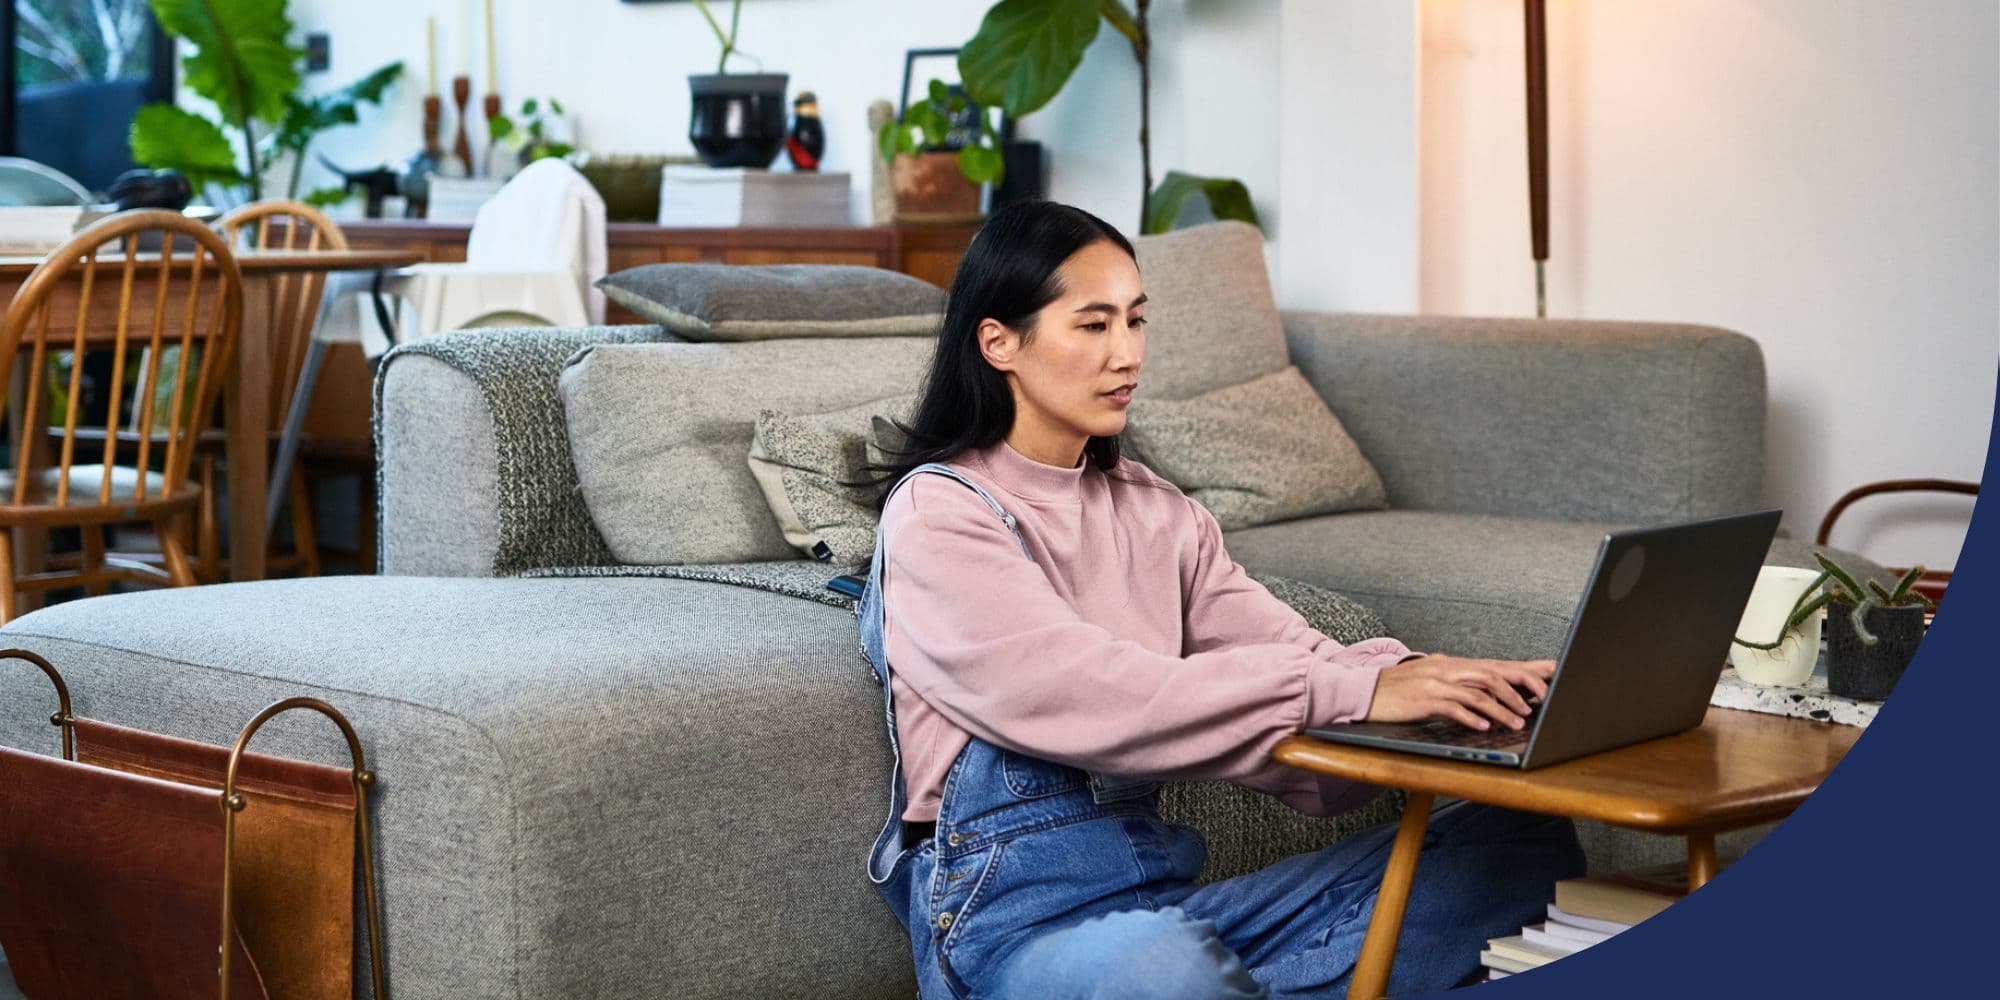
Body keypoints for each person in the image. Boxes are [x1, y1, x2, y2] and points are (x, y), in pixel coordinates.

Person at [856, 200, 1583, 999]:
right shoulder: (940, 512)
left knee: (1516, 847)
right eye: (1093, 326)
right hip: (1013, 939)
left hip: (1173, 915)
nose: (1127, 354)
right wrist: (1355, 687)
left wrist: (1439, 689)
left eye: (1136, 322)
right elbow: (1088, 690)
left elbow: (1290, 651)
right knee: (1159, 968)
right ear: (999, 342)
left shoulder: (1156, 511)